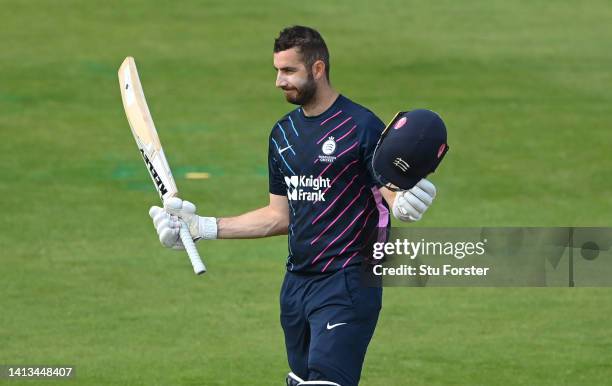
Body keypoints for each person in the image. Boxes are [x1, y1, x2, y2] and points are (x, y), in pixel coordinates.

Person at [148, 26, 437, 386]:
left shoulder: (361, 127)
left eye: (288, 71)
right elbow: (277, 216)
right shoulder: (282, 134)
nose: (278, 82)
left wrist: (405, 202)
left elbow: (392, 193)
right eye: (276, 71)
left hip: (348, 282)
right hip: (296, 286)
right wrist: (201, 227)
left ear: (318, 69)